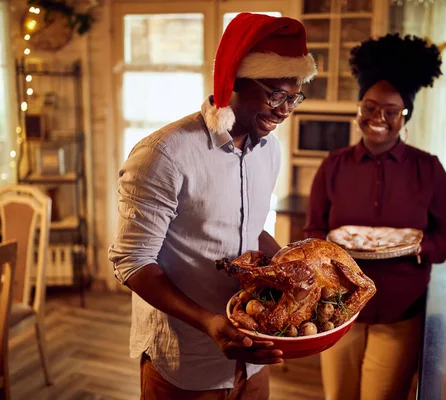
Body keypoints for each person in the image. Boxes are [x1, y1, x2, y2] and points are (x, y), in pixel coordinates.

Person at [108, 13, 317, 400]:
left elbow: (249, 227)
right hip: (186, 360)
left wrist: (295, 265)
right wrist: (208, 322)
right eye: (276, 95)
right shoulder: (164, 154)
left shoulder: (269, 149)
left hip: (255, 355)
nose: (285, 109)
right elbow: (132, 261)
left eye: (294, 97)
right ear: (233, 81)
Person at [304, 33, 446, 400]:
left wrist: (415, 246)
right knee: (338, 395)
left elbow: (444, 241)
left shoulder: (429, 169)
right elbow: (314, 231)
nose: (378, 118)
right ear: (358, 108)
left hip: (400, 311)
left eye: (391, 111)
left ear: (405, 116)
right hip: (336, 307)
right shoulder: (333, 166)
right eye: (370, 107)